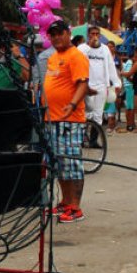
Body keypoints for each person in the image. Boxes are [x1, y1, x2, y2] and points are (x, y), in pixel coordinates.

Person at [43, 20, 90, 223]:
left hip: (70, 120)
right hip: (51, 119)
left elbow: (83, 84)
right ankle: (65, 201)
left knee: (72, 163)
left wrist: (72, 104)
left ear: (68, 33)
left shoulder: (76, 56)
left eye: (59, 34)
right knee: (59, 164)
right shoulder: (53, 58)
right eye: (52, 35)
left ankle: (75, 207)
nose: (56, 38)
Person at [77, 26, 121, 134]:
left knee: (98, 114)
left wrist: (116, 83)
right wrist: (89, 46)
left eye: (97, 34)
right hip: (86, 85)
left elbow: (111, 66)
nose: (95, 36)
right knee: (87, 112)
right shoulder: (82, 48)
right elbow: (78, 60)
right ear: (88, 35)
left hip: (101, 85)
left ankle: (94, 140)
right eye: (92, 33)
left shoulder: (105, 49)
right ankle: (83, 137)